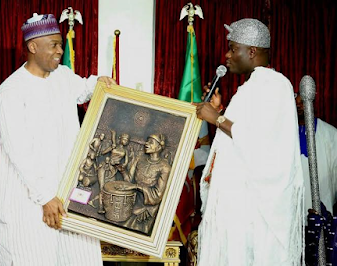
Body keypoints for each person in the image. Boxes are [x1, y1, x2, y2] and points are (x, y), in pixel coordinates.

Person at [0, 13, 116, 266]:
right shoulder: (10, 93)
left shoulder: (62, 76)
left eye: (60, 44)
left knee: (80, 259)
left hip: (70, 193)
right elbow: (20, 153)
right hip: (29, 202)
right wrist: (46, 197)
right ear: (32, 47)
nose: (60, 50)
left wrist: (98, 82)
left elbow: (82, 88)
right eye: (54, 45)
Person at [194, 18, 304, 265]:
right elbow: (243, 135)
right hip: (239, 208)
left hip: (255, 213)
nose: (227, 55)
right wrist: (220, 109)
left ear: (252, 51)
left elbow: (261, 142)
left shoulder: (273, 85)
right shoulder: (253, 86)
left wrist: (217, 117)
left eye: (233, 49)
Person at [119, 134, 171, 234]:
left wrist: (139, 187)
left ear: (159, 147)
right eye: (147, 141)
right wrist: (123, 171)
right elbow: (129, 181)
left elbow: (158, 194)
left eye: (151, 142)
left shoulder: (165, 167)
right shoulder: (139, 159)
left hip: (146, 207)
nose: (146, 143)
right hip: (132, 201)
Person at [295, 92, 337, 214]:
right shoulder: (283, 134)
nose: (298, 106)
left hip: (321, 203)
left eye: (302, 102)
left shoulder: (330, 134)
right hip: (290, 209)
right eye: (295, 103)